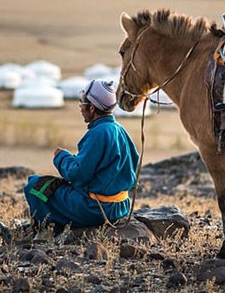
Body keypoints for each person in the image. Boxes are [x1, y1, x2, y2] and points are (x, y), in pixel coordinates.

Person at [22, 79, 140, 234]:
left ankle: (48, 230)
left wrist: (61, 157)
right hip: (121, 205)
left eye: (82, 102)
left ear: (92, 108)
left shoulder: (98, 133)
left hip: (96, 208)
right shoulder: (119, 130)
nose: (80, 107)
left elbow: (77, 175)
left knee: (35, 186)